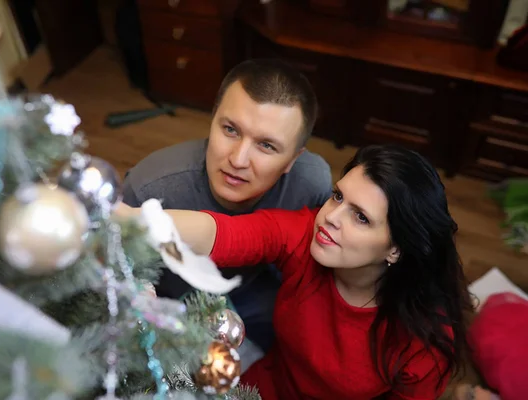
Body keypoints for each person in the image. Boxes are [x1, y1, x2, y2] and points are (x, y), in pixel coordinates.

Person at [116, 144, 474, 399]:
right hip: (255, 391)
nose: (331, 218)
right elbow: (222, 233)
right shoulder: (309, 238)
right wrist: (130, 218)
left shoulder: (424, 338)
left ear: (396, 248)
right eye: (337, 197)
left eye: (361, 217)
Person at [122, 59, 332, 352]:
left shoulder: (311, 184)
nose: (238, 159)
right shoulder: (150, 188)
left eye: (266, 146)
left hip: (258, 294)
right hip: (171, 307)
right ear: (213, 118)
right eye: (231, 130)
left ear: (293, 160)